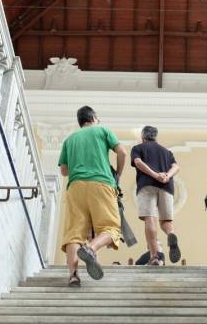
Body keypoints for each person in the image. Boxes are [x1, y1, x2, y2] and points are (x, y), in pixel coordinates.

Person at [58, 106, 126, 287]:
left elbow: (64, 170)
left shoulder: (70, 139)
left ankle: (73, 276)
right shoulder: (102, 130)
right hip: (101, 184)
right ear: (94, 118)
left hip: (75, 187)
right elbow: (122, 152)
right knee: (111, 229)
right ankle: (91, 248)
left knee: (74, 234)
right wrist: (117, 175)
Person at [131, 125, 181, 264]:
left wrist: (155, 175)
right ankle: (171, 234)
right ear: (155, 136)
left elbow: (138, 162)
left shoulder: (138, 148)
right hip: (166, 187)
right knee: (166, 221)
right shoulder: (166, 151)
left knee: (150, 219)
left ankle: (154, 256)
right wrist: (166, 176)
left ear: (143, 136)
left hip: (147, 185)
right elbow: (176, 166)